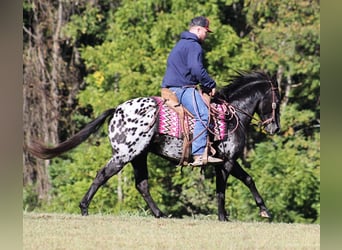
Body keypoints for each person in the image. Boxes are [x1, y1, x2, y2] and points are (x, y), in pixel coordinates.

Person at [161, 16, 223, 166]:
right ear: (198, 29)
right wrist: (210, 84)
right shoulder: (194, 45)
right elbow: (196, 69)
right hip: (183, 89)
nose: (206, 35)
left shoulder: (181, 44)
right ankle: (199, 154)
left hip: (171, 88)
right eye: (206, 32)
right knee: (203, 114)